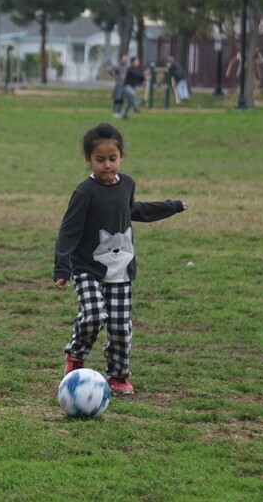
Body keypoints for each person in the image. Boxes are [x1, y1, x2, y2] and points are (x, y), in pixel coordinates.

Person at [53, 122, 188, 395]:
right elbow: (68, 231)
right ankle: (76, 356)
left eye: (112, 159)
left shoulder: (127, 184)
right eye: (99, 160)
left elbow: (133, 210)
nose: (107, 165)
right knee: (93, 314)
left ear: (121, 157)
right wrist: (62, 268)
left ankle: (117, 375)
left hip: (121, 269)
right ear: (88, 160)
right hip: (87, 268)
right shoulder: (84, 192)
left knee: (120, 328)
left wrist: (170, 207)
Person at [107, 54, 128, 118]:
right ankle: (115, 112)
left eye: (126, 58)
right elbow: (109, 70)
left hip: (125, 85)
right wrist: (115, 76)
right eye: (124, 58)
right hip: (119, 84)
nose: (125, 60)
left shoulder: (127, 67)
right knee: (117, 98)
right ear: (121, 59)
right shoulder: (117, 66)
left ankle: (119, 112)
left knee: (122, 99)